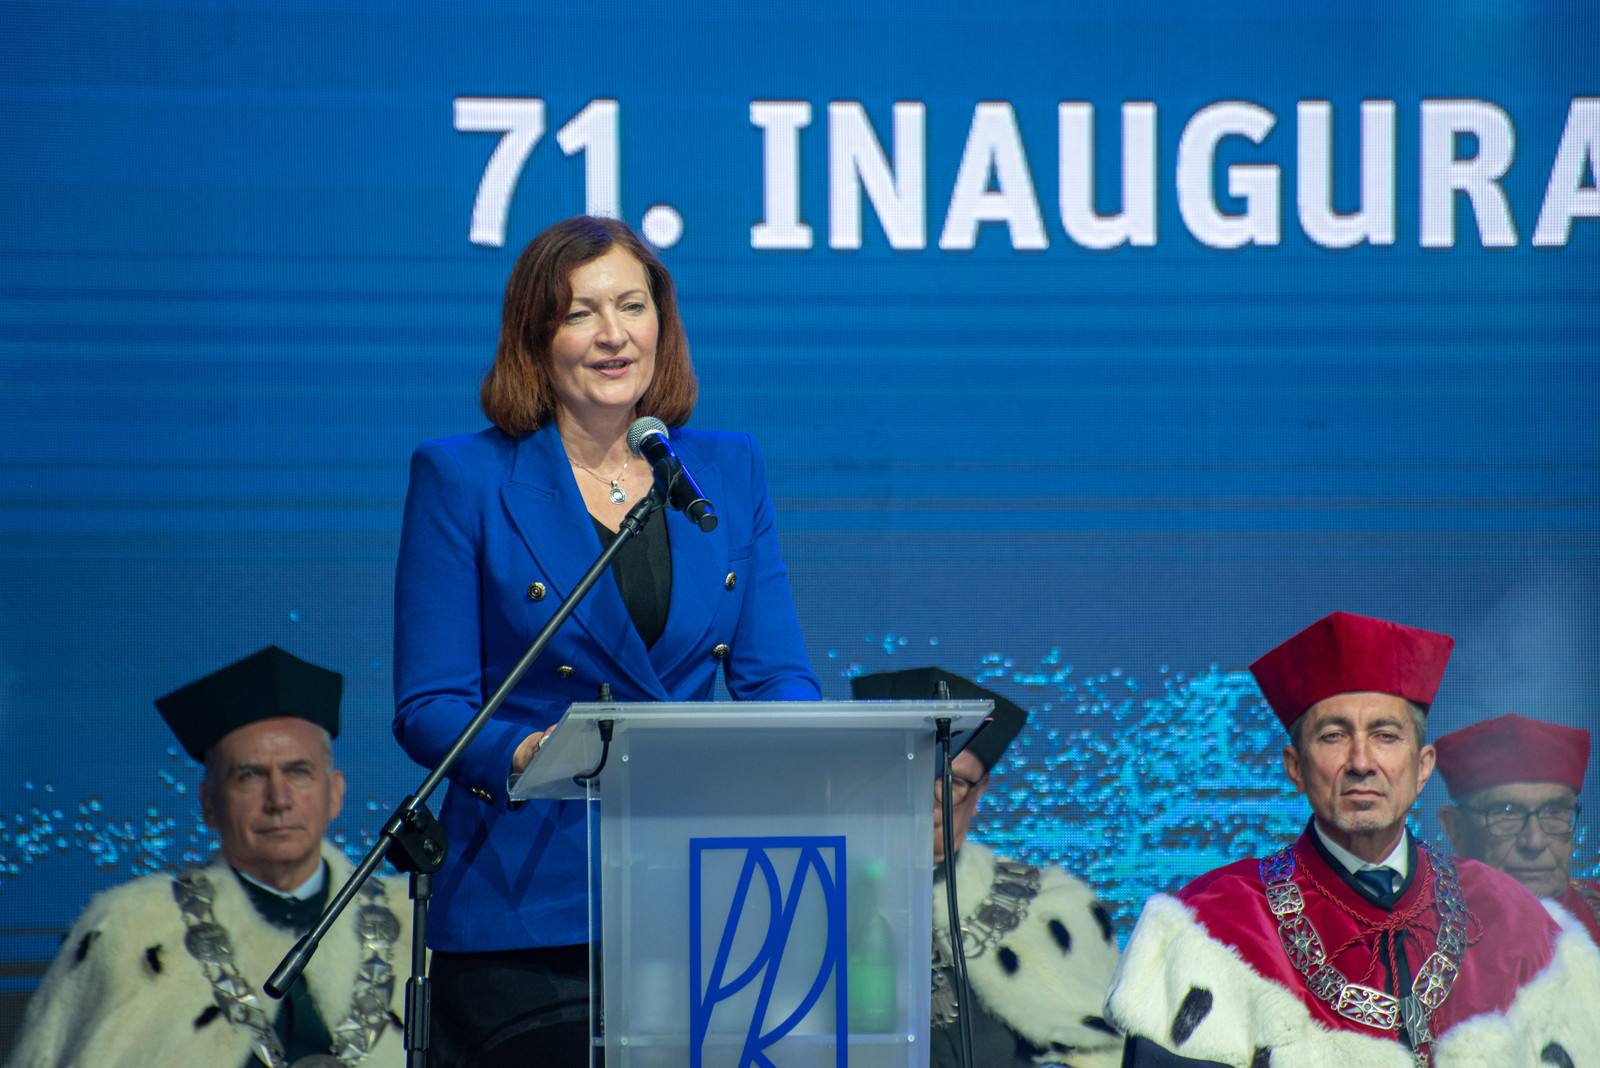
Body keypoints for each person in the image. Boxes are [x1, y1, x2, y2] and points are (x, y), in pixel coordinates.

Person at [392, 215, 821, 1067]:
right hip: (528, 902)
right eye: (580, 313)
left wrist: (799, 747)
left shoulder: (724, 470)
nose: (614, 335)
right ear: (535, 337)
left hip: (704, 895)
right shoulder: (463, 478)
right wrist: (531, 754)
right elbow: (429, 706)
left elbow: (780, 678)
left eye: (632, 306)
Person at [1104, 611, 1600, 1067]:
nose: (1362, 763)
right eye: (1333, 736)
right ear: (1295, 767)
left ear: (1422, 766)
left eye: (1385, 735)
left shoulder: (1516, 921)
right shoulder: (1211, 926)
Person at [6, 645, 411, 1068]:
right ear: (209, 804)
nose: (279, 800)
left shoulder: (414, 930)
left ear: (336, 793)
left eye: (298, 772)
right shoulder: (130, 932)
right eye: (250, 775)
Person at [851, 667, 1123, 1068]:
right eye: (916, 772)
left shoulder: (1050, 906)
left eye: (954, 781)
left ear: (981, 791)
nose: (932, 795)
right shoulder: (823, 898)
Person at [1434, 712, 1600, 944]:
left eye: (1554, 812)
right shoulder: (1420, 932)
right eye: (1507, 813)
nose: (1535, 842)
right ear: (1456, 829)